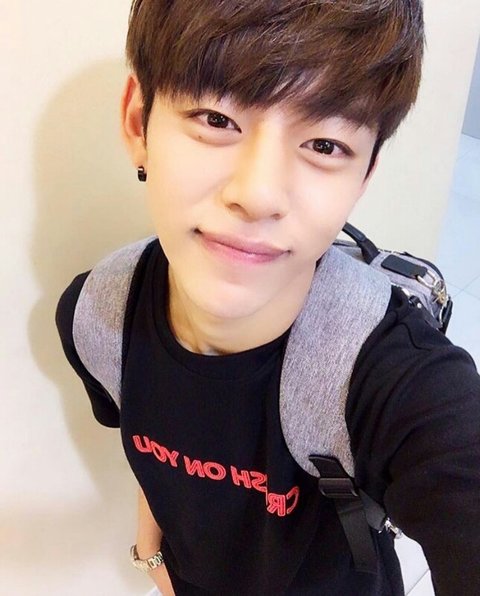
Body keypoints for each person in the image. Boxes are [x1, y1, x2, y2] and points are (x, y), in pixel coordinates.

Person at [55, 1, 480, 594]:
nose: (257, 195)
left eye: (325, 145)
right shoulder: (97, 318)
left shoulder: (395, 379)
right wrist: (152, 555)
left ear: (364, 176)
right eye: (216, 118)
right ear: (138, 123)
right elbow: (157, 452)